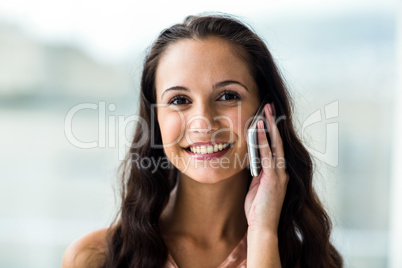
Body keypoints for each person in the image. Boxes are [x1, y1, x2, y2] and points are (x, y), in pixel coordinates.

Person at [62, 14, 343, 268]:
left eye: (227, 96)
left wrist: (262, 233)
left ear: (265, 111)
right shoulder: (95, 258)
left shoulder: (311, 260)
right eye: (179, 100)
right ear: (155, 118)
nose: (203, 122)